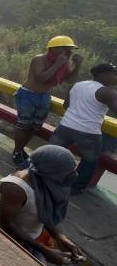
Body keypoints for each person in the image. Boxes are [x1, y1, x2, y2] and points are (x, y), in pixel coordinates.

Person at [0, 145, 84, 265]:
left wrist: (60, 237)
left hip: (32, 239)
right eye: (69, 172)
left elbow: (45, 212)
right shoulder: (16, 188)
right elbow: (5, 223)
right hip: (5, 237)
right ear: (52, 172)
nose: (74, 174)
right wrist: (43, 250)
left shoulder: (47, 182)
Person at [12, 35, 83, 167]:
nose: (69, 52)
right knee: (24, 126)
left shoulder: (64, 63)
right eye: (66, 49)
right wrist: (57, 64)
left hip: (44, 96)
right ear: (54, 49)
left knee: (35, 127)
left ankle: (21, 149)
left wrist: (77, 66)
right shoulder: (39, 59)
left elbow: (70, 80)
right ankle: (17, 151)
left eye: (71, 50)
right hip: (28, 95)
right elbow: (42, 78)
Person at [49, 62, 117, 193]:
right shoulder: (107, 92)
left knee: (51, 152)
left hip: (65, 126)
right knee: (90, 160)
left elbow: (65, 106)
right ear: (103, 75)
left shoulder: (76, 85)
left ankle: (41, 175)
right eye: (115, 74)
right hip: (88, 133)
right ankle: (75, 187)